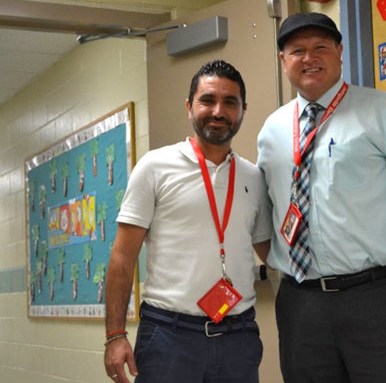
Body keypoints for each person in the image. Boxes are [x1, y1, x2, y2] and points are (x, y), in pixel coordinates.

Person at [257, 13, 386, 382]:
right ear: (283, 60)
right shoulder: (272, 131)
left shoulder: (384, 112)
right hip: (302, 304)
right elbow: (265, 211)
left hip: (376, 298)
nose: (308, 58)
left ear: (340, 53)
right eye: (297, 50)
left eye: (320, 48)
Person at [104, 60, 271, 383]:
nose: (218, 111)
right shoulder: (155, 167)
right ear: (189, 106)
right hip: (169, 337)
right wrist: (115, 334)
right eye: (207, 100)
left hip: (238, 337)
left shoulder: (253, 177)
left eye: (230, 102)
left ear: (243, 110)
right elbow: (122, 256)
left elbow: (270, 252)